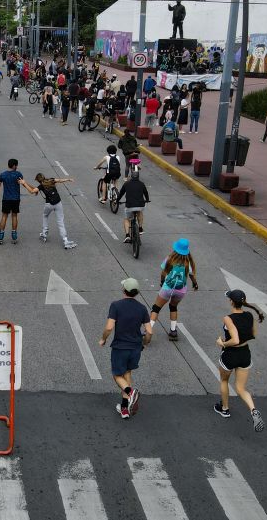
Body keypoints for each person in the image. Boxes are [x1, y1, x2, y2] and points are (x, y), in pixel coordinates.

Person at [99, 277, 152, 419]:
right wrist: (145, 343)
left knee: (117, 375)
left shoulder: (116, 305)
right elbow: (149, 331)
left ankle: (131, 393)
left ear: (124, 290)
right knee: (127, 373)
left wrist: (103, 339)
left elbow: (109, 327)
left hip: (120, 347)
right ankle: (124, 408)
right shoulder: (142, 308)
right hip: (135, 348)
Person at [214, 289, 266, 432]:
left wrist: (222, 343)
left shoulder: (228, 318)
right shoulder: (250, 315)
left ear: (231, 301)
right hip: (245, 354)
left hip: (230, 355)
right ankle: (253, 410)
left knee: (224, 381)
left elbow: (235, 340)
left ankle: (224, 409)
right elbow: (253, 334)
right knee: (241, 388)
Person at [150, 238, 199, 341]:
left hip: (168, 288)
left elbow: (163, 273)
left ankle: (148, 329)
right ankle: (173, 331)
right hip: (180, 290)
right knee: (173, 307)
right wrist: (195, 284)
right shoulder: (187, 263)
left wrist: (162, 282)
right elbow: (192, 276)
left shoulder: (169, 259)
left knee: (156, 308)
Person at [0, 158, 37, 245]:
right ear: (14, 166)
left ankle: (1, 236)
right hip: (16, 199)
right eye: (16, 165)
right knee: (14, 216)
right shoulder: (18, 174)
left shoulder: (2, 175)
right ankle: (14, 236)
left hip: (6, 199)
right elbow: (24, 184)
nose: (17, 167)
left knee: (4, 216)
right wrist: (34, 189)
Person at [33, 173, 76, 249]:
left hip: (49, 204)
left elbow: (33, 191)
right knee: (60, 221)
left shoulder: (41, 186)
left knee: (45, 216)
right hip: (58, 203)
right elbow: (60, 180)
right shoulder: (51, 180)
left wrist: (24, 183)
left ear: (38, 180)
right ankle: (65, 240)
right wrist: (68, 179)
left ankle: (45, 232)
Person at [115, 167, 150, 243]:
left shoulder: (126, 183)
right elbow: (146, 193)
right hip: (140, 205)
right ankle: (140, 228)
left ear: (131, 176)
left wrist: (117, 201)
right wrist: (147, 200)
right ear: (138, 177)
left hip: (129, 205)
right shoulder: (142, 184)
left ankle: (127, 235)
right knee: (140, 212)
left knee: (127, 219)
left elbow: (121, 193)